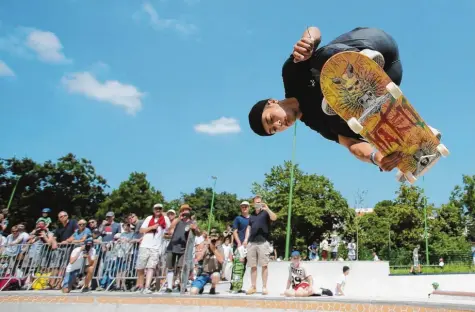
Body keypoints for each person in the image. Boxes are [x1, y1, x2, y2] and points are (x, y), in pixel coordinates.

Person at [248, 26, 441, 172]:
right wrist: (376, 158)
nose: (280, 124)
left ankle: (359, 63)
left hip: (372, 42)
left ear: (272, 102)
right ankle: (413, 133)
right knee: (345, 125)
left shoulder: (291, 75)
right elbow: (351, 145)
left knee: (317, 58)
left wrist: (307, 41)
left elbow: (314, 31)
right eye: (275, 129)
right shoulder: (316, 124)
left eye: (271, 119)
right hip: (390, 75)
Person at [243, 195, 277, 295]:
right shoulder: (252, 215)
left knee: (264, 265)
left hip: (263, 242)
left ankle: (264, 287)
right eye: (256, 202)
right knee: (253, 266)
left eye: (259, 202)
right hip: (252, 242)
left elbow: (274, 218)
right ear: (253, 204)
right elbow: (249, 228)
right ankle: (253, 287)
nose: (258, 204)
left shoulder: (265, 213)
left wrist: (268, 209)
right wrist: (245, 239)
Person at [190, 230, 224, 295]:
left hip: (214, 274)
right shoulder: (206, 247)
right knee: (193, 291)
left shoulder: (219, 249)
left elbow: (221, 260)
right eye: (212, 241)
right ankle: (201, 287)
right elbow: (198, 259)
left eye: (215, 241)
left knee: (216, 275)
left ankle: (213, 287)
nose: (213, 242)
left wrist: (212, 246)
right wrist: (204, 248)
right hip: (204, 274)